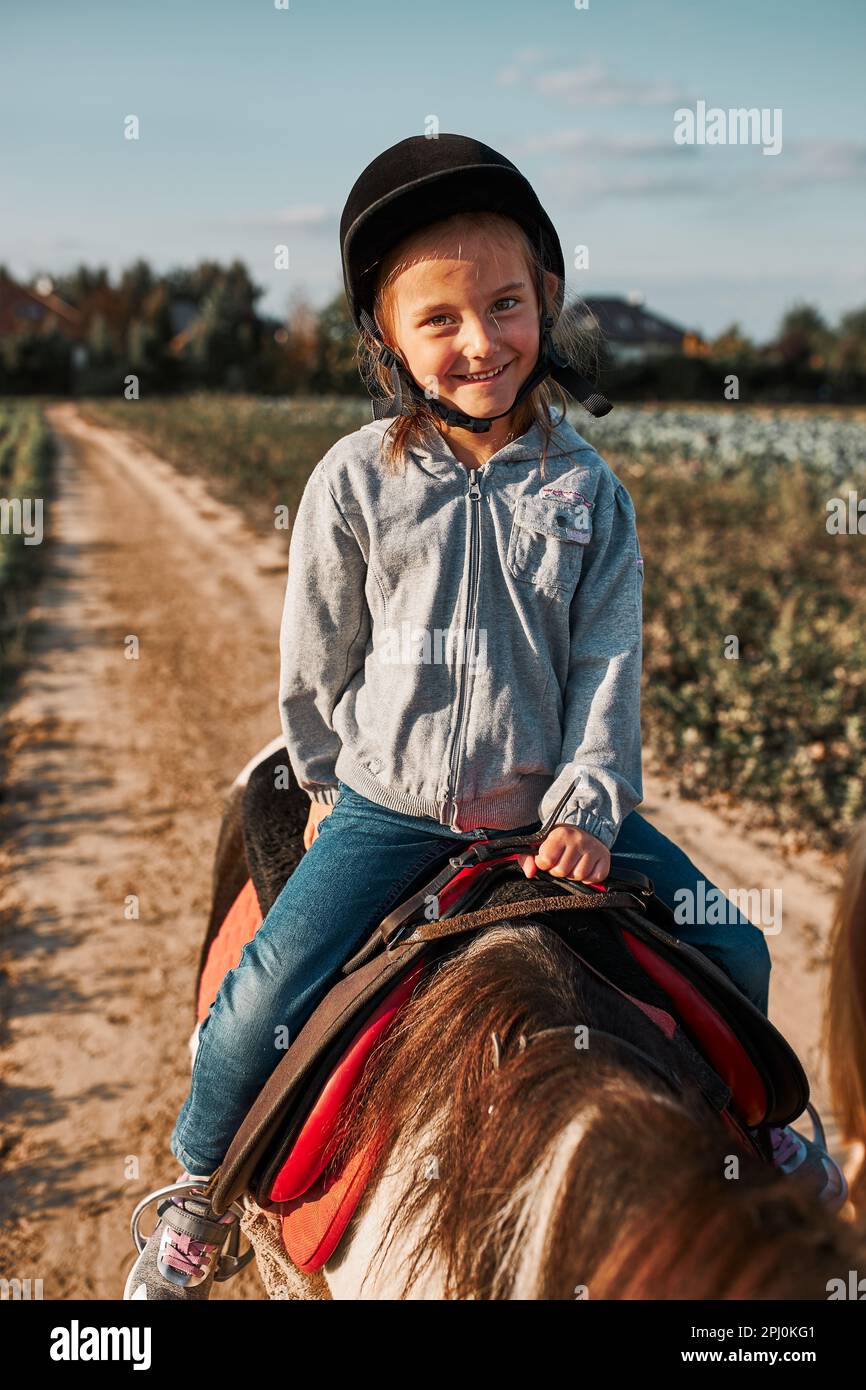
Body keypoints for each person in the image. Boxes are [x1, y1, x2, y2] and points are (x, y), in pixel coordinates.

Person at [124, 135, 843, 1299]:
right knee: (259, 994)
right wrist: (318, 787)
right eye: (439, 318)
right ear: (387, 340)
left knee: (736, 941)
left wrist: (588, 808)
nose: (478, 340)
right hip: (391, 810)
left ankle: (754, 1136)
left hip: (543, 812)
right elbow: (317, 655)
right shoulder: (352, 481)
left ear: (545, 301)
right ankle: (197, 1194)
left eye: (503, 304)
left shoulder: (586, 494)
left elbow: (605, 667)